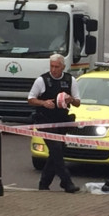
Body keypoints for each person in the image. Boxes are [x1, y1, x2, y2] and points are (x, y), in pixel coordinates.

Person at [27, 53, 81, 193]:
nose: (54, 69)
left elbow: (78, 103)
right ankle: (66, 182)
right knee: (56, 149)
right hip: (45, 121)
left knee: (56, 153)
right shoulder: (42, 80)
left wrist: (70, 100)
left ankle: (44, 184)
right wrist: (43, 103)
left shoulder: (70, 80)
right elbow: (31, 99)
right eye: (52, 66)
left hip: (62, 121)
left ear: (63, 67)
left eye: (57, 67)